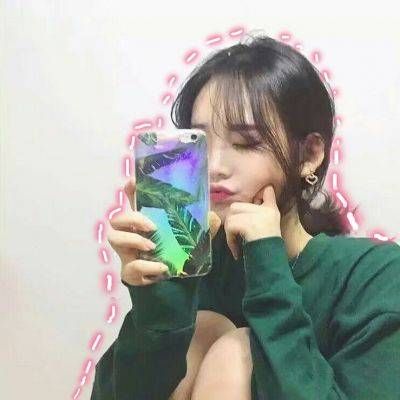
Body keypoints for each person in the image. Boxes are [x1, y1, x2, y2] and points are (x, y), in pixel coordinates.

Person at [90, 33, 400, 400]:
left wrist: (267, 263)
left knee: (237, 351)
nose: (215, 166)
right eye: (201, 141)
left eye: (246, 143)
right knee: (203, 330)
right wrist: (158, 306)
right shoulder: (196, 262)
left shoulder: (376, 275)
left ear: (310, 155)